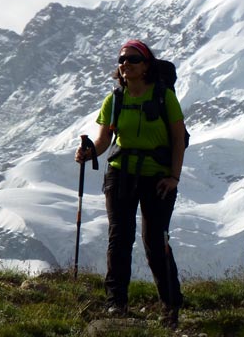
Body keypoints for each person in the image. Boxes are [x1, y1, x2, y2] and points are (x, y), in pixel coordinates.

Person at [75, 39, 185, 328]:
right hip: (120, 173)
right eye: (122, 59)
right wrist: (89, 153)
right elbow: (103, 141)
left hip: (157, 177)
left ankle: (170, 306)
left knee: (154, 241)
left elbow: (178, 139)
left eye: (133, 60)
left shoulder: (163, 96)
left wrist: (174, 177)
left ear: (146, 65)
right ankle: (116, 303)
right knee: (119, 237)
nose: (125, 64)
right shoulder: (115, 99)